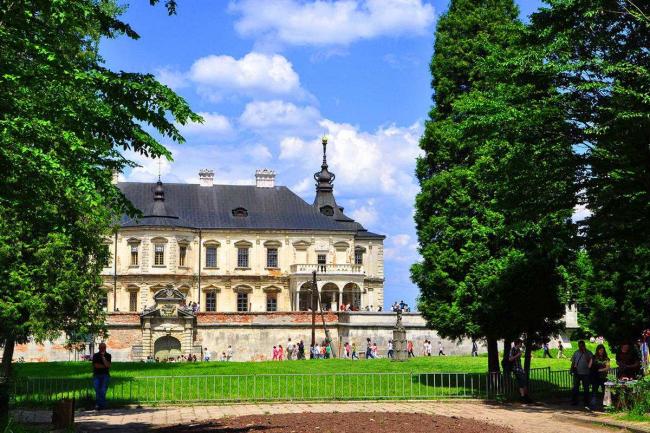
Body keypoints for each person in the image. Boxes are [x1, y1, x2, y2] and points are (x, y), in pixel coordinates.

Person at [571, 340, 593, 408]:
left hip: (586, 373)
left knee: (586, 388)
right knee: (575, 388)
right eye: (579, 345)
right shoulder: (576, 352)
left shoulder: (588, 352)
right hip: (577, 373)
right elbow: (573, 362)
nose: (580, 346)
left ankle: (586, 402)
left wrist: (584, 352)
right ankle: (575, 401)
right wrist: (571, 369)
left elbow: (591, 361)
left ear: (584, 345)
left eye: (582, 345)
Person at [509, 339, 532, 403]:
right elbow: (510, 359)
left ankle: (523, 397)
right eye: (520, 343)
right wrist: (517, 355)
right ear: (518, 343)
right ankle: (524, 397)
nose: (521, 345)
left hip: (520, 368)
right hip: (515, 368)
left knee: (522, 382)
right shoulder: (512, 350)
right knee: (522, 381)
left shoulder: (518, 350)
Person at [92, 342, 112, 410]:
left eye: (104, 347)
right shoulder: (95, 355)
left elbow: (108, 365)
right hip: (96, 375)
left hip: (105, 375)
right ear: (99, 348)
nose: (102, 349)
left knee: (103, 390)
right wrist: (105, 366)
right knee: (97, 390)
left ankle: (99, 405)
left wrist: (103, 358)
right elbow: (96, 365)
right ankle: (102, 405)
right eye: (101, 347)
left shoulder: (108, 355)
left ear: (105, 348)